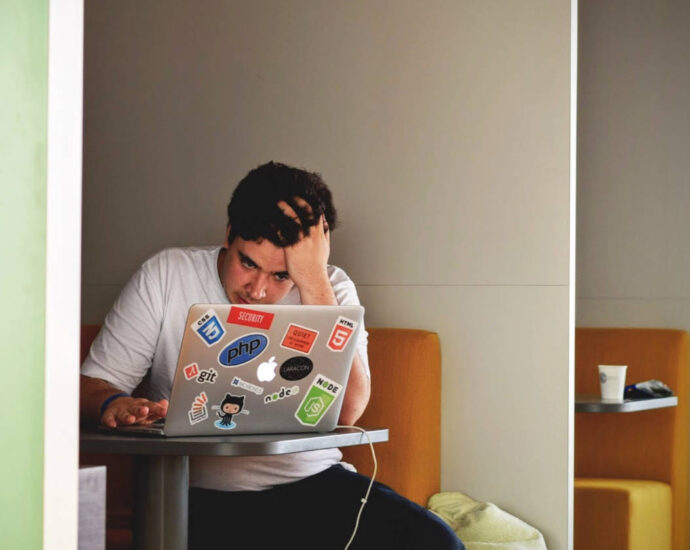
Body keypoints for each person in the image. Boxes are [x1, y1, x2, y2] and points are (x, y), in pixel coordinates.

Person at [80, 161, 464, 549]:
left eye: (281, 275)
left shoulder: (331, 288)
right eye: (247, 263)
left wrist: (312, 281)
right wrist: (114, 402)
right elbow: (91, 385)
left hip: (312, 483)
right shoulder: (166, 275)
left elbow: (349, 410)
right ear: (229, 234)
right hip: (194, 495)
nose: (257, 290)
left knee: (438, 544)